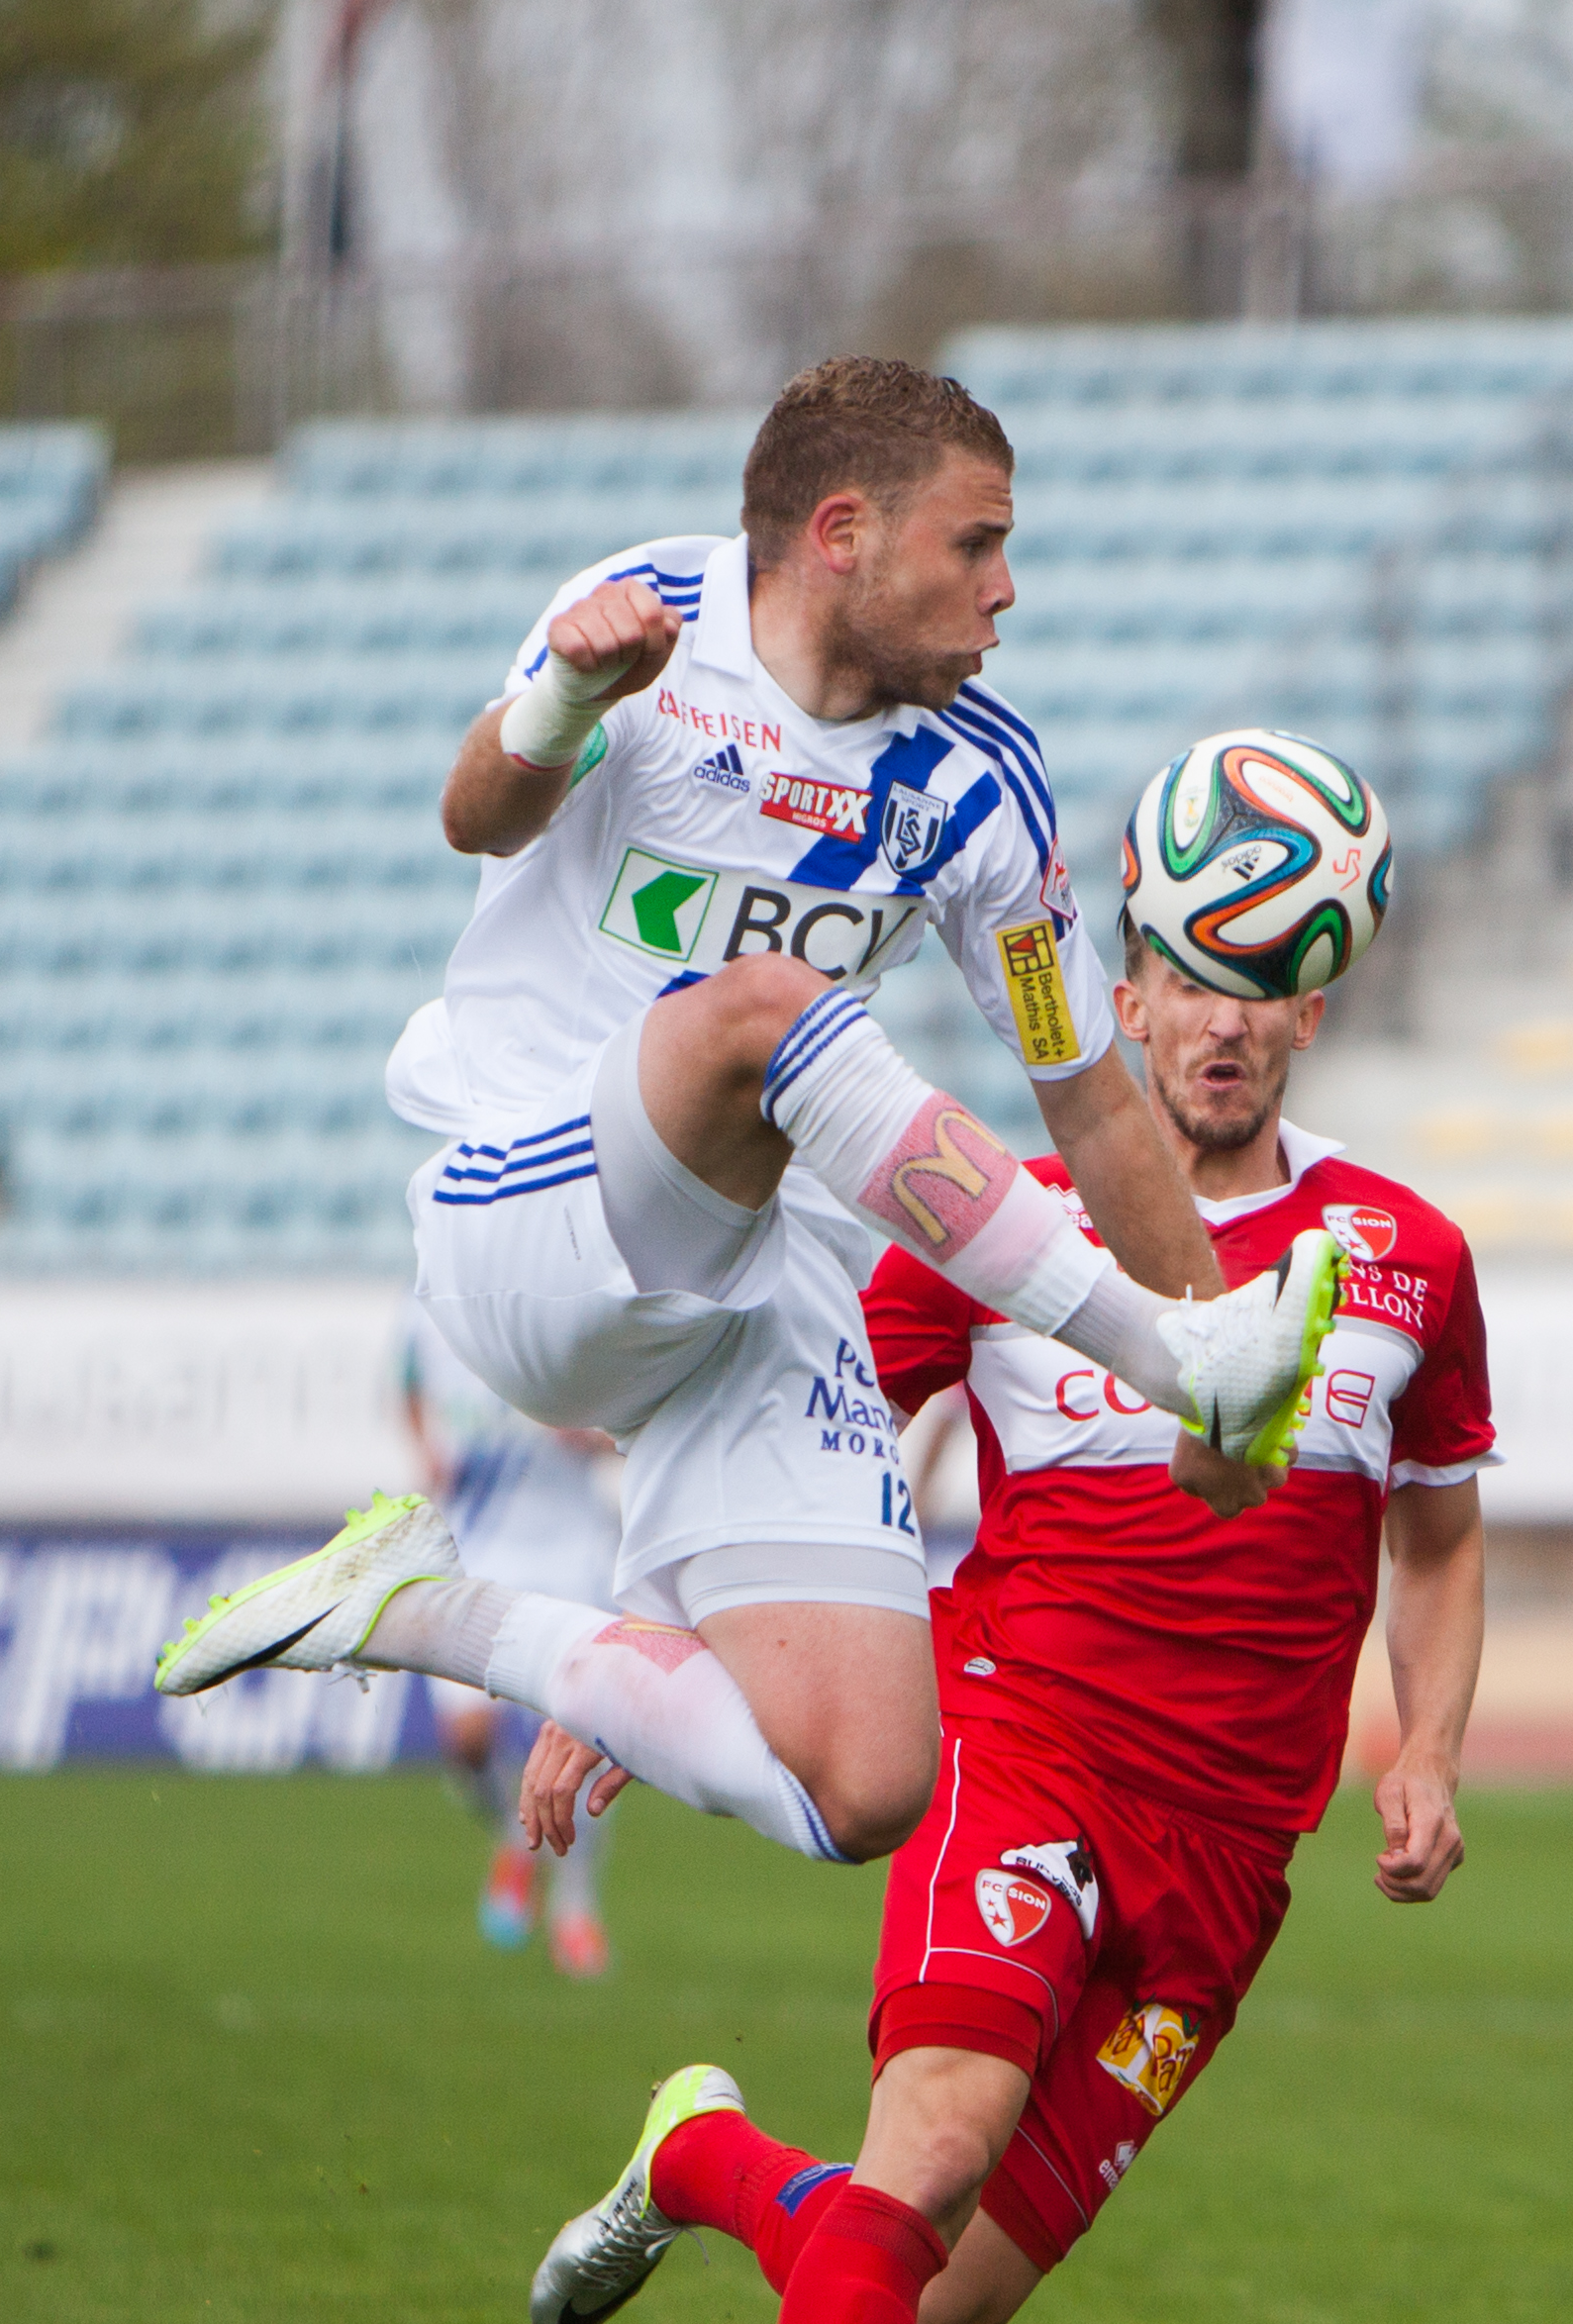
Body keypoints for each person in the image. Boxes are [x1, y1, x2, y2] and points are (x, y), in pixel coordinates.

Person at [155, 359, 1341, 1870]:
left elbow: (1093, 1103)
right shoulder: (646, 619)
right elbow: (476, 815)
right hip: (529, 1217)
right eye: (977, 545)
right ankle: (1176, 1366)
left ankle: (413, 1610)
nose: (1008, 591)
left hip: (750, 1293)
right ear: (843, 533)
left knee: (866, 1788)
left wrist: (1226, 1334)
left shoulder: (983, 787)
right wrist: (569, 692)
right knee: (771, 1009)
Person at [519, 897, 1497, 2324]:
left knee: (938, 2309)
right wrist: (642, 1654)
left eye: (1262, 993)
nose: (1221, 1023)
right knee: (936, 2145)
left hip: (1226, 1867)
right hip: (1023, 1745)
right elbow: (795, 1440)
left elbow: (1436, 1534)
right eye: (1190, 983)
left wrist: (1424, 1744)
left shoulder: (1405, 1257)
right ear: (1118, 1005)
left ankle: (701, 2160)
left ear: (1309, 1022)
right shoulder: (1000, 1226)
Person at [402, 1303, 618, 1977]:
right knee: (466, 1742)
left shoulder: (567, 1299)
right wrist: (425, 1448)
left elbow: (638, 1413)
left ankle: (575, 1909)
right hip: (479, 1543)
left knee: (584, 1738)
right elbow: (407, 1381)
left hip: (570, 1545)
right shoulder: (429, 1306)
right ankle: (513, 1838)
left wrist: (595, 1433)